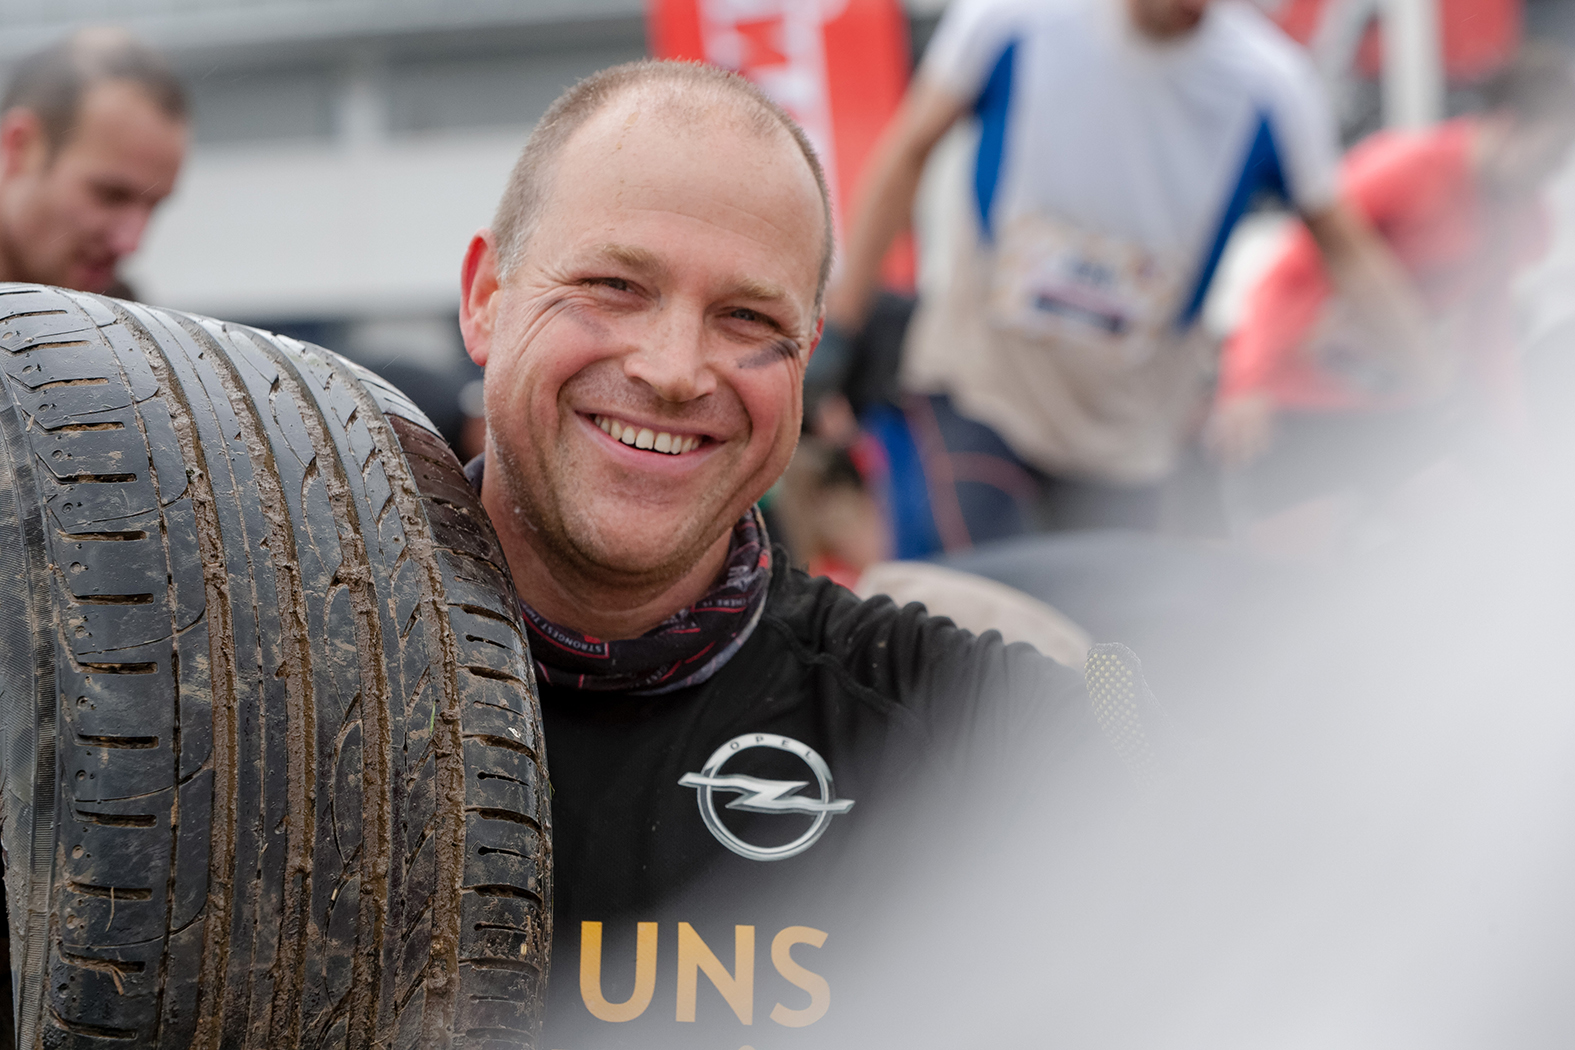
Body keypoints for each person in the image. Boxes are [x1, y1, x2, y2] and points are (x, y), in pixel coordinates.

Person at [458, 60, 1138, 1046]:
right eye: (613, 286)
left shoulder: (924, 709)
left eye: (748, 318)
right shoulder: (279, 667)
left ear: (806, 356)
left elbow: (1216, 822)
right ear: (486, 297)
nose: (674, 370)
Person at [822, 0, 1430, 545]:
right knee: (974, 608)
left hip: (1129, 435)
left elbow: (1347, 249)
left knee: (1111, 628)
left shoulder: (1270, 84)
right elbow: (909, 151)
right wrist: (842, 326)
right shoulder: (1013, 18)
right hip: (986, 390)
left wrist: (1434, 385)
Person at [1207, 44, 1575, 534]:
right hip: (1306, 405)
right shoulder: (1405, 168)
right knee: (1295, 565)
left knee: (1456, 537)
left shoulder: (1519, 212)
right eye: (1550, 154)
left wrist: (1519, 444)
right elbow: (1287, 273)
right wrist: (1247, 382)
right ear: (1510, 124)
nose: (1552, 172)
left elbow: (1490, 334)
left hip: (1396, 407)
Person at [0, 27, 187, 296]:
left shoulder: (120, 313)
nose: (131, 243)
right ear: (21, 147)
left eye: (153, 207)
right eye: (111, 196)